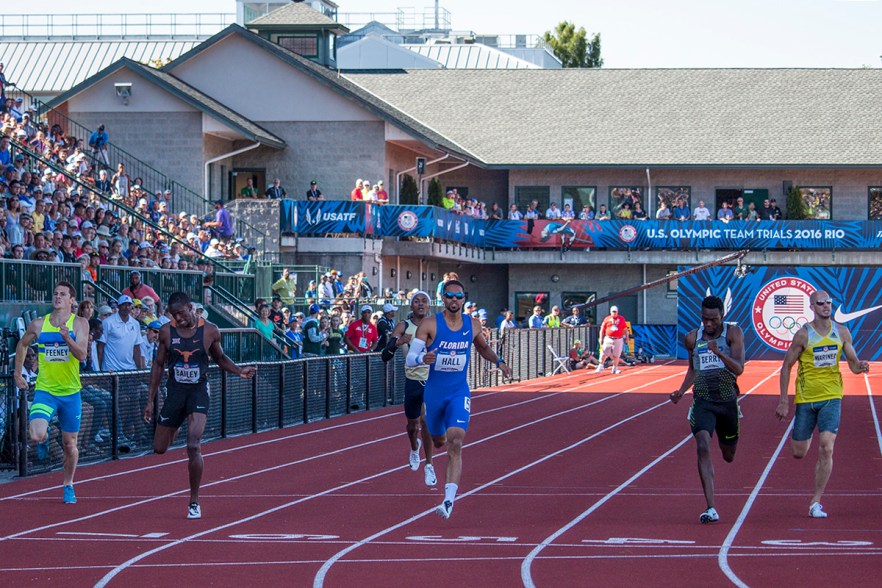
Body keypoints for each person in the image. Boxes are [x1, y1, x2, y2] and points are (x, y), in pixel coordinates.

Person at [144, 291, 256, 519]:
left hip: (198, 392)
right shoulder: (166, 332)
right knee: (159, 448)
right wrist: (150, 399)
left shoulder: (211, 331)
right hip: (175, 392)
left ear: (192, 309)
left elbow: (220, 358)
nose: (178, 318)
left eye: (181, 313)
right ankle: (175, 424)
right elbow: (158, 365)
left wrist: (239, 371)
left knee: (193, 445)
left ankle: (194, 501)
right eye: (174, 315)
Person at [406, 280, 512, 519]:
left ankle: (448, 500)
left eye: (459, 296)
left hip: (458, 392)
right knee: (440, 440)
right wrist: (423, 359)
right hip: (434, 392)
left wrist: (500, 362)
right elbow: (410, 358)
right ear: (443, 299)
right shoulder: (430, 323)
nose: (454, 300)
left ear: (464, 299)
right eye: (450, 296)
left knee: (456, 441)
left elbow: (483, 348)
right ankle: (428, 445)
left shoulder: (473, 325)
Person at [776, 289, 870, 518]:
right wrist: (783, 401)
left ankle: (816, 501)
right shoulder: (803, 335)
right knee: (799, 452)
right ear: (812, 307)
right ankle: (804, 440)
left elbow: (853, 363)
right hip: (807, 400)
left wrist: (861, 367)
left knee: (827, 446)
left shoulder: (842, 332)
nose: (826, 306)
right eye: (821, 303)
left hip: (832, 397)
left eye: (828, 302)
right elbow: (786, 366)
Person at [669, 295, 745, 524]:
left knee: (728, 455)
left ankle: (728, 444)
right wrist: (681, 391)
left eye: (713, 319)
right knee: (702, 445)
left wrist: (719, 353)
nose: (709, 324)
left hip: (727, 402)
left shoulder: (733, 334)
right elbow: (693, 370)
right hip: (703, 401)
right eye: (704, 319)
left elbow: (739, 368)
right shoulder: (692, 338)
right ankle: (711, 507)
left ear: (722, 315)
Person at [14, 282, 89, 503]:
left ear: (72, 300)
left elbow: (82, 356)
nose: (57, 297)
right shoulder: (39, 324)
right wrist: (18, 373)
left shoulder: (80, 323)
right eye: (55, 293)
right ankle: (45, 438)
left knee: (69, 444)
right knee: (36, 434)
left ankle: (68, 484)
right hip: (45, 390)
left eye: (63, 294)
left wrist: (67, 338)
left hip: (70, 393)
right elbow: (22, 345)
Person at [382, 291, 436, 486]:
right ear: (410, 306)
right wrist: (398, 343)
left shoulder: (435, 325)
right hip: (412, 381)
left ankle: (429, 465)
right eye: (416, 301)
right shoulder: (404, 326)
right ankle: (414, 447)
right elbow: (385, 355)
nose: (420, 304)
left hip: (431, 380)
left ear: (429, 306)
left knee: (426, 421)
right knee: (413, 426)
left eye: (424, 301)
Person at [596, 305, 629, 374]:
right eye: (613, 312)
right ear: (610, 312)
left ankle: (615, 368)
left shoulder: (621, 319)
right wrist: (601, 338)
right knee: (604, 353)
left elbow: (625, 329)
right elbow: (602, 329)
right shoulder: (607, 319)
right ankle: (600, 366)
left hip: (618, 339)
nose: (614, 313)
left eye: (615, 312)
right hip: (608, 338)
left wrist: (627, 338)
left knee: (616, 354)